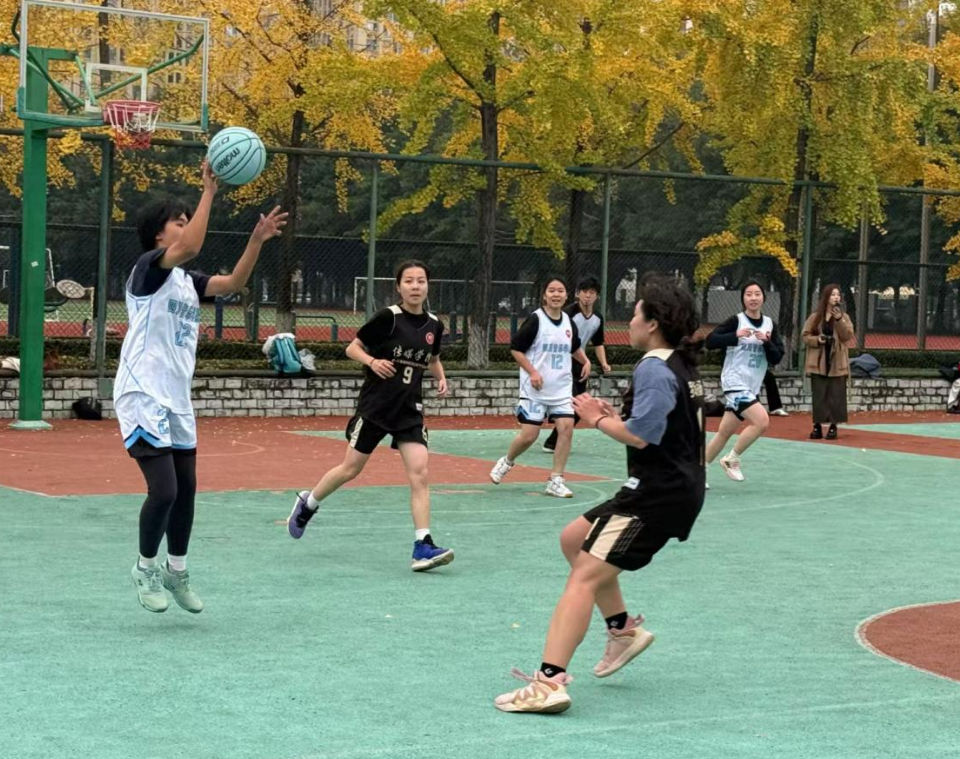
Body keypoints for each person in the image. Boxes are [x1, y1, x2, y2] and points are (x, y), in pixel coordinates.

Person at [493, 274, 705, 714]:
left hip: (656, 495)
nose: (631, 319)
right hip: (669, 487)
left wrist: (596, 419)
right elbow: (666, 423)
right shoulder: (679, 363)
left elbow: (642, 436)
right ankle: (622, 630)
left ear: (653, 323)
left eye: (637, 312)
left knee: (584, 577)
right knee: (574, 539)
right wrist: (613, 414)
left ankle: (548, 683)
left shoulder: (653, 367)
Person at [116, 162, 287, 613]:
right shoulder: (148, 270)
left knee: (187, 490)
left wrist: (256, 241)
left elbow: (233, 283)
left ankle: (177, 570)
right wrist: (209, 191)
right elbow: (190, 246)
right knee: (165, 491)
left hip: (176, 398)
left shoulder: (187, 282)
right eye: (179, 220)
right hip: (142, 392)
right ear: (159, 234)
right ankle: (145, 568)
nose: (186, 226)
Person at [287, 260, 454, 572]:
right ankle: (308, 503)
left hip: (410, 411)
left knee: (420, 473)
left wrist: (441, 377)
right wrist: (373, 362)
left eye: (421, 281)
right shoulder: (388, 317)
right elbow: (353, 348)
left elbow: (433, 359)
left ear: (428, 286)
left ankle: (423, 545)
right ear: (399, 286)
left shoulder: (434, 325)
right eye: (409, 281)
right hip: (377, 407)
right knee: (350, 469)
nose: (415, 286)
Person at [489, 277, 590, 498]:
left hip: (561, 388)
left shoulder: (568, 322)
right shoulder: (536, 320)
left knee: (566, 429)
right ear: (544, 295)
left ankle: (556, 479)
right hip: (535, 389)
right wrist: (533, 372)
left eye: (560, 290)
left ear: (566, 295)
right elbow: (516, 349)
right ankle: (507, 461)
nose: (556, 294)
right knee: (529, 436)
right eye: (551, 290)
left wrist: (586, 361)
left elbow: (574, 347)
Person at [704, 281, 784, 482]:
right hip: (734, 381)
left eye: (757, 294)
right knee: (762, 421)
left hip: (751, 386)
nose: (753, 298)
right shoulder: (736, 321)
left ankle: (698, 472)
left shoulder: (770, 325)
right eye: (749, 294)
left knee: (724, 432)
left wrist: (767, 342)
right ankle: (731, 459)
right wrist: (735, 336)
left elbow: (777, 357)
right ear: (743, 298)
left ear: (763, 298)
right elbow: (710, 341)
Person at [543, 276, 612, 452]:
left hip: (582, 365)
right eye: (584, 292)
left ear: (597, 296)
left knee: (580, 407)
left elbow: (598, 343)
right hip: (563, 363)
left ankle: (553, 441)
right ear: (577, 294)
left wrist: (604, 363)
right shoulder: (568, 314)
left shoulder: (598, 318)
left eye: (592, 292)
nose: (588, 296)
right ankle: (551, 437)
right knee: (573, 404)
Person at [802, 284, 855, 440]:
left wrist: (839, 320)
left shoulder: (844, 317)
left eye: (838, 295)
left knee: (836, 394)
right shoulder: (815, 317)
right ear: (826, 297)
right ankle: (817, 426)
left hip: (837, 360)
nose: (836, 297)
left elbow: (847, 336)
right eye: (833, 294)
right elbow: (805, 336)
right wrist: (817, 340)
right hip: (819, 359)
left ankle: (833, 426)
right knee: (819, 394)